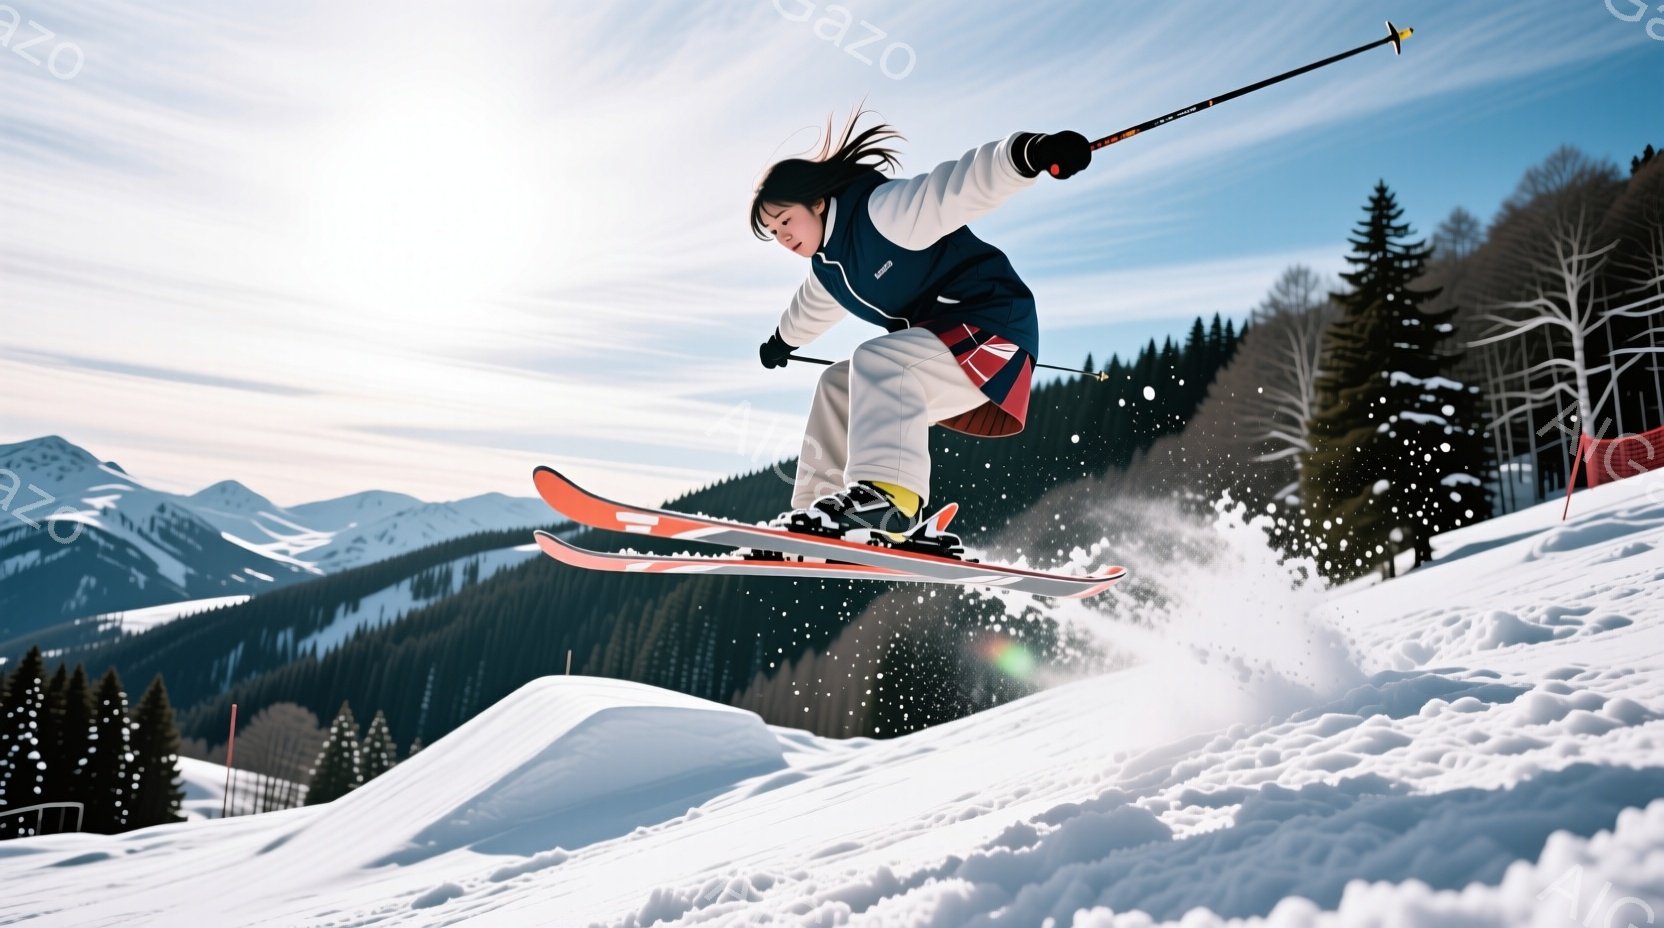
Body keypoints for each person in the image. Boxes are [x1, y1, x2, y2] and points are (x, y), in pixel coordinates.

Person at [750, 108, 1091, 552]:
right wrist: (782, 341)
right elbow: (810, 308)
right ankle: (818, 514)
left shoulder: (881, 212)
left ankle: (891, 500)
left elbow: (958, 185)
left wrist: (1028, 153)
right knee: (837, 383)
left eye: (786, 221)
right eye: (773, 232)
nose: (784, 237)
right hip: (943, 349)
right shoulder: (829, 266)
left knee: (877, 358)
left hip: (992, 332)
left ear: (815, 202)